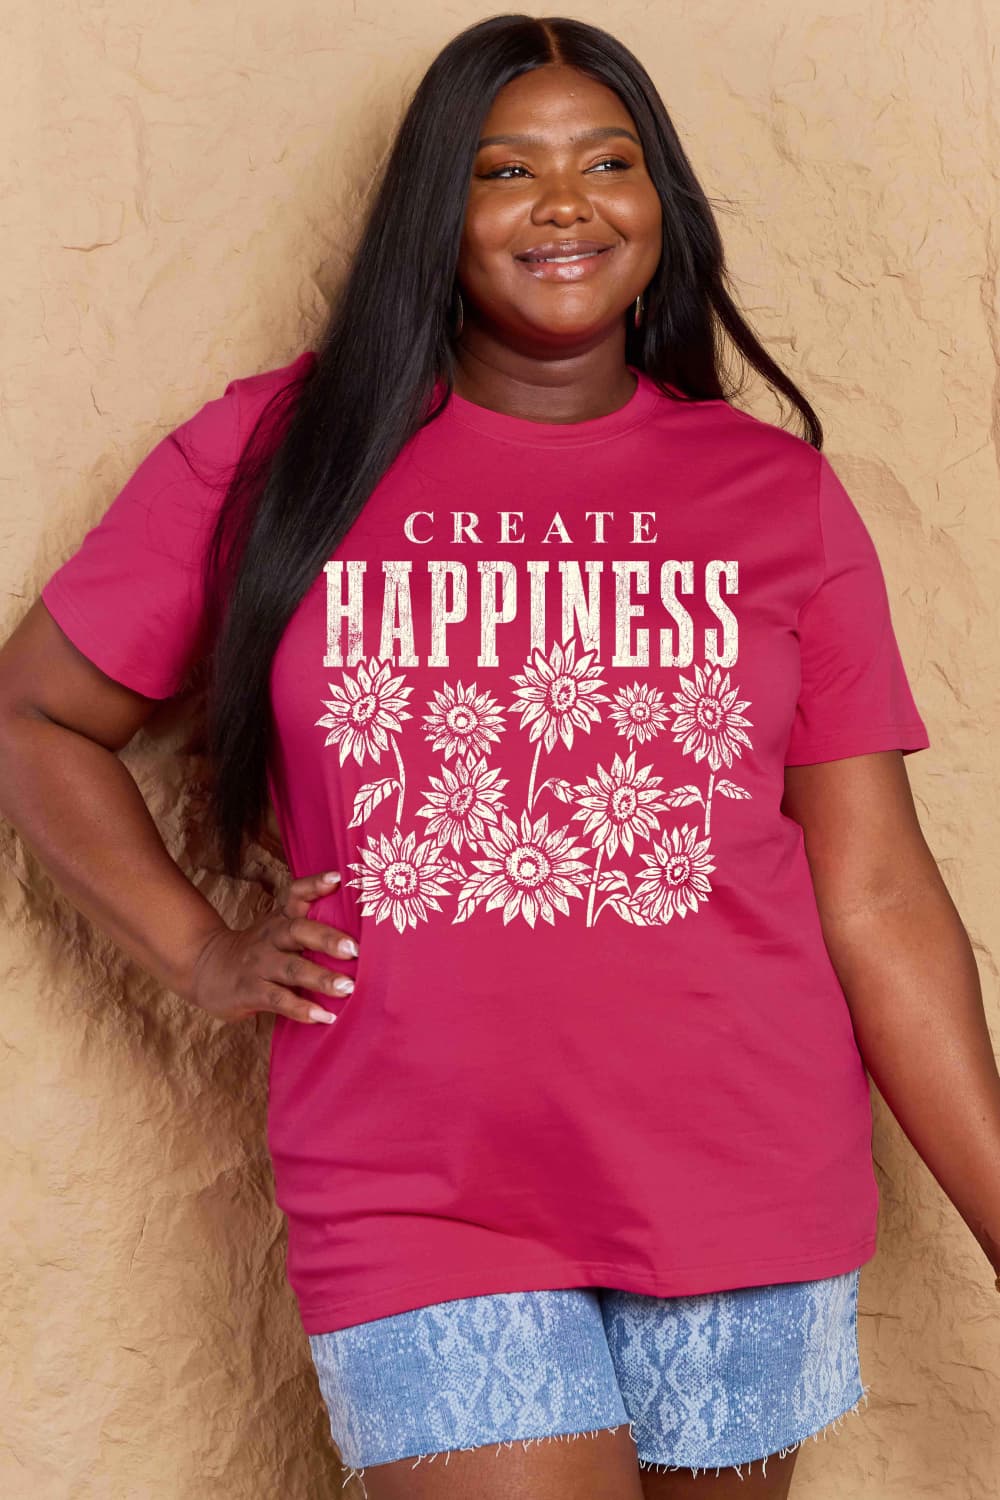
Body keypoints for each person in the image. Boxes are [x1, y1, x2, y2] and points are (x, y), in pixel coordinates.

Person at [3, 12, 999, 1500]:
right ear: (438, 209)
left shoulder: (771, 493)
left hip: (743, 1173)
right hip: (417, 1192)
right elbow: (34, 715)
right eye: (504, 168)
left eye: (609, 161)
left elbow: (878, 894)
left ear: (660, 203)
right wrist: (198, 951)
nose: (564, 203)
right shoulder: (283, 452)